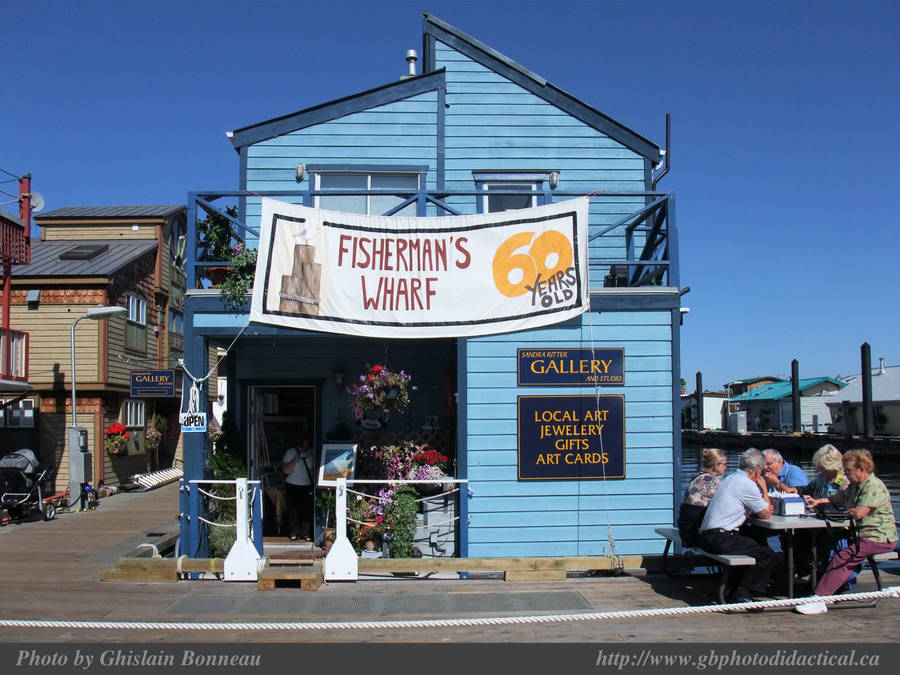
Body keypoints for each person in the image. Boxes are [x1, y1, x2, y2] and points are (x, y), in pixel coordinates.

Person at [795, 449, 898, 615]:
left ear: (861, 469)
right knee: (828, 548)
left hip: (878, 537)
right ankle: (820, 588)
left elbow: (859, 513)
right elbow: (840, 496)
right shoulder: (855, 485)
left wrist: (836, 512)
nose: (846, 474)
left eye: (848, 470)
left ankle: (820, 599)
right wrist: (820, 501)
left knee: (843, 557)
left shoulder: (873, 486)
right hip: (862, 536)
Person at [698, 447, 778, 604]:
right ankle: (743, 593)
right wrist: (763, 488)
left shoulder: (731, 477)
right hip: (719, 537)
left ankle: (734, 588)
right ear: (758, 469)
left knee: (755, 543)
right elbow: (766, 514)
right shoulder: (746, 484)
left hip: (707, 535)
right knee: (767, 554)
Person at [677, 448, 727, 547]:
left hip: (685, 529)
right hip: (695, 533)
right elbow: (725, 505)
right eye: (724, 464)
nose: (726, 467)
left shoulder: (697, 477)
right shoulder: (713, 481)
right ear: (716, 465)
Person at [282, 439, 315, 541]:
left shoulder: (310, 452)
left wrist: (310, 456)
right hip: (292, 484)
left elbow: (314, 467)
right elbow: (285, 470)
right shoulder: (290, 453)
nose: (305, 446)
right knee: (293, 510)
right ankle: (294, 531)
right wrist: (296, 459)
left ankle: (306, 533)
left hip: (307, 484)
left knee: (307, 509)